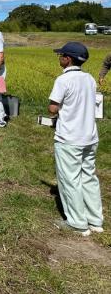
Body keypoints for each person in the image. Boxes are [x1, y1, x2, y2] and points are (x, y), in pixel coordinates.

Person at [48, 42, 103, 236]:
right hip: (90, 136)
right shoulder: (89, 79)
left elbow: (53, 108)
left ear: (68, 59)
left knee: (69, 180)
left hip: (69, 137)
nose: (59, 58)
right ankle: (95, 220)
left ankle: (77, 222)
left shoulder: (63, 80)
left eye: (61, 55)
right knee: (88, 177)